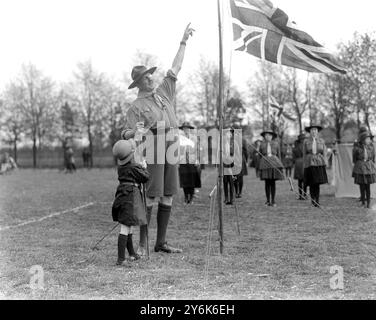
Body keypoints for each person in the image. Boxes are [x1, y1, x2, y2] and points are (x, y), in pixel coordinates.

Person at [121, 23, 194, 255]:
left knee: (169, 194)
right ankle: (143, 244)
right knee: (151, 195)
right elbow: (125, 133)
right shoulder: (136, 106)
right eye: (146, 78)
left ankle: (160, 243)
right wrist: (138, 132)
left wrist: (183, 41)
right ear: (138, 83)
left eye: (150, 75)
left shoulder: (163, 92)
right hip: (153, 147)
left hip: (172, 144)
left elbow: (176, 67)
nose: (151, 79)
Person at [112, 140, 150, 265]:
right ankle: (121, 259)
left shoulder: (121, 167)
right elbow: (145, 177)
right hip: (130, 197)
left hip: (123, 194)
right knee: (125, 227)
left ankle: (132, 253)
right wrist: (143, 166)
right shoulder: (133, 167)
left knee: (129, 226)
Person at [303, 125, 328, 207]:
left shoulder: (322, 141)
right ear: (310, 132)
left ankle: (317, 200)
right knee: (311, 182)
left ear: (317, 131)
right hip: (309, 163)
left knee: (317, 183)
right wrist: (305, 164)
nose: (314, 131)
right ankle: (312, 199)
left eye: (315, 130)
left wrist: (325, 162)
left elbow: (324, 153)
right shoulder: (306, 141)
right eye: (312, 130)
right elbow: (304, 154)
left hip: (319, 163)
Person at [258, 129, 284, 207]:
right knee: (267, 183)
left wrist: (280, 165)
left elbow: (279, 155)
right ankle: (267, 200)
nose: (267, 136)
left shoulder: (276, 144)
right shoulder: (262, 144)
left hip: (274, 164)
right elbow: (260, 156)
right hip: (265, 165)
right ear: (264, 136)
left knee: (272, 182)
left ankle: (273, 200)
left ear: (272, 136)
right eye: (266, 135)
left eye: (269, 135)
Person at [178, 122, 201, 204]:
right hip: (183, 161)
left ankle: (190, 198)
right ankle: (185, 197)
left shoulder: (194, 138)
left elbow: (197, 150)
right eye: (184, 128)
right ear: (183, 129)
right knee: (184, 181)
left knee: (192, 180)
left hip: (192, 161)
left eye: (187, 128)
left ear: (190, 129)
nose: (186, 130)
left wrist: (197, 159)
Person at [352, 130, 376, 209]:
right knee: (362, 186)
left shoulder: (371, 147)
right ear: (363, 140)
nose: (369, 140)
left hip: (368, 167)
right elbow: (354, 158)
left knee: (367, 186)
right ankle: (363, 202)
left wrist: (371, 164)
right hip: (360, 168)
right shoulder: (357, 148)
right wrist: (359, 163)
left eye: (369, 138)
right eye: (367, 138)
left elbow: (373, 157)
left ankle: (368, 202)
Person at [353, 126, 369, 202]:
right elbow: (354, 153)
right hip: (359, 164)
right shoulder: (357, 143)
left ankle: (364, 196)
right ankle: (362, 196)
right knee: (361, 181)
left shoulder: (368, 141)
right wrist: (356, 162)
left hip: (366, 164)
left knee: (366, 182)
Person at [293, 133, 307, 200]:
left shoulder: (296, 146)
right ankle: (304, 194)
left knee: (300, 181)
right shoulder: (305, 145)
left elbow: (293, 156)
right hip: (304, 162)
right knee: (304, 180)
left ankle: (301, 195)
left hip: (298, 163)